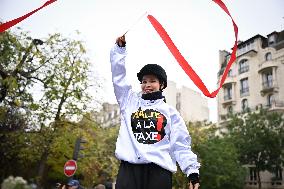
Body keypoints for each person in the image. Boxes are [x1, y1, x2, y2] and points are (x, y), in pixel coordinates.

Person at [109, 35, 200, 189]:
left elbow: (180, 145)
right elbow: (118, 78)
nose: (147, 85)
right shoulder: (129, 102)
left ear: (162, 84)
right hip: (129, 171)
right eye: (144, 81)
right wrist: (119, 50)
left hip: (159, 172)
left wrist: (192, 173)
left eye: (152, 81)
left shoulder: (171, 113)